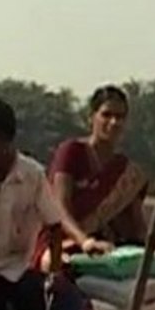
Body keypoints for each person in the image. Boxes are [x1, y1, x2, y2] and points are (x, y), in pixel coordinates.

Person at [0, 97, 109, 310]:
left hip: (18, 270)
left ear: (2, 140)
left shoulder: (31, 175)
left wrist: (54, 273)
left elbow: (55, 226)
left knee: (66, 305)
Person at [38, 85, 147, 266]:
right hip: (63, 242)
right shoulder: (71, 152)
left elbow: (137, 225)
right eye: (106, 115)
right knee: (54, 263)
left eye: (120, 117)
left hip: (107, 246)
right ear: (92, 117)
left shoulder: (126, 171)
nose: (114, 122)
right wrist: (85, 241)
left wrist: (154, 246)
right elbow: (60, 208)